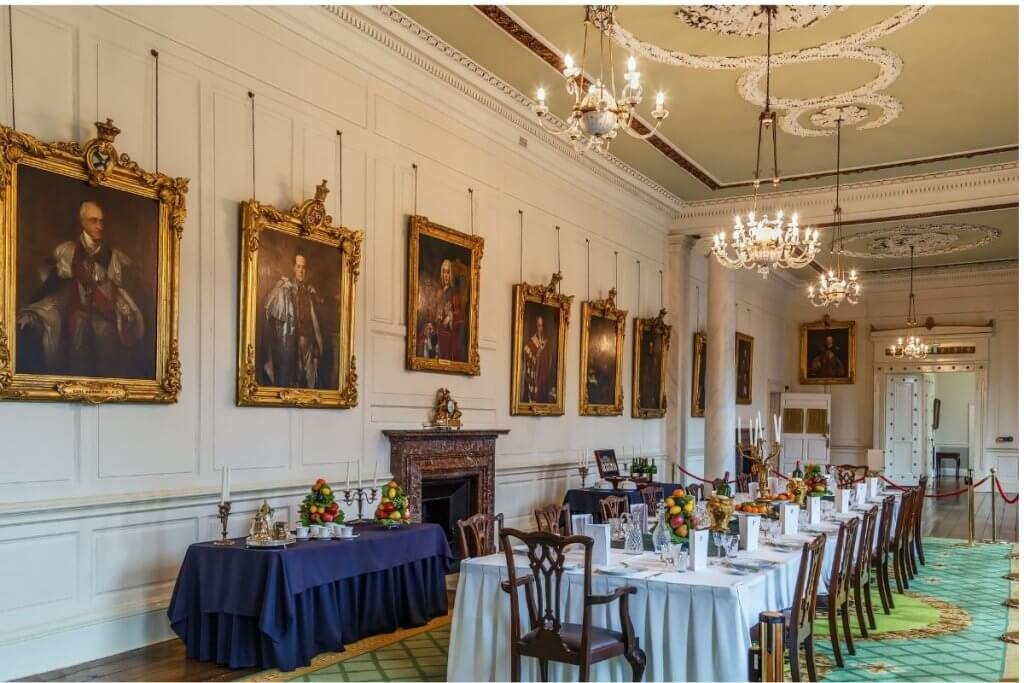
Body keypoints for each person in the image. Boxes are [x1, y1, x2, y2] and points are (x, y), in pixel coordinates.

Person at [17, 200, 145, 377]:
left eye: (101, 221)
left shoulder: (112, 256)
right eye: (94, 220)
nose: (99, 226)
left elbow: (117, 292)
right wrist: (31, 311)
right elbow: (51, 286)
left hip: (105, 320)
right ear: (83, 222)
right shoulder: (69, 252)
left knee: (108, 360)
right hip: (77, 318)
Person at [263, 253, 323, 388]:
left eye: (303, 267)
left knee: (310, 376)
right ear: (293, 268)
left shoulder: (309, 290)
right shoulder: (286, 287)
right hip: (292, 339)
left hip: (308, 339)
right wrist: (281, 288)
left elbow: (315, 317)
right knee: (295, 375)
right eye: (298, 266)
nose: (301, 270)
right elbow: (270, 307)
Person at [421, 258, 466, 362]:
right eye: (444, 272)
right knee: (425, 341)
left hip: (448, 332)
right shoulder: (439, 292)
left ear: (451, 274)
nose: (446, 275)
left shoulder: (454, 293)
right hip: (438, 328)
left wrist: (451, 317)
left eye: (448, 272)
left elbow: (459, 313)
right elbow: (434, 311)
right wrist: (431, 323)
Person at [521, 314, 555, 403]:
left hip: (544, 379)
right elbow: (526, 354)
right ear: (536, 326)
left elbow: (550, 362)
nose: (541, 328)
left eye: (542, 325)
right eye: (539, 325)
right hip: (535, 379)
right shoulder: (531, 343)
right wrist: (536, 355)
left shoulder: (547, 342)